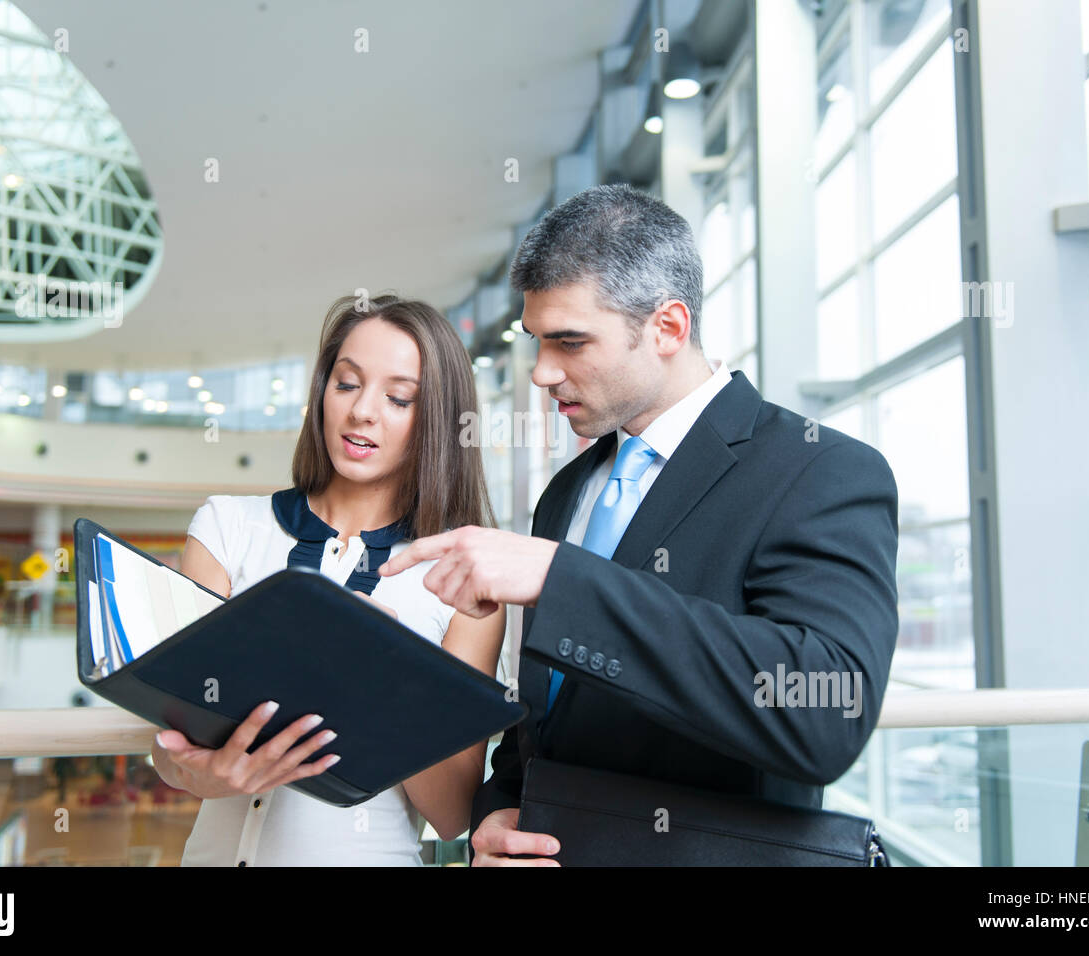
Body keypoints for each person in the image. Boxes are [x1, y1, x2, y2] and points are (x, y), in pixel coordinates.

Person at [380, 184, 900, 866]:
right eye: (538, 342)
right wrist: (499, 809)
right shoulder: (567, 491)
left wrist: (560, 580)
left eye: (570, 342)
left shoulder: (820, 470)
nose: (542, 372)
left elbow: (827, 713)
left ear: (667, 328)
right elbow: (548, 722)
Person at [151, 293, 505, 866]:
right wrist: (215, 775)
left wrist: (395, 680)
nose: (363, 411)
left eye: (398, 398)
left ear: (436, 420)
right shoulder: (226, 527)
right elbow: (169, 753)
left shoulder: (462, 580)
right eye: (346, 384)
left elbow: (452, 812)